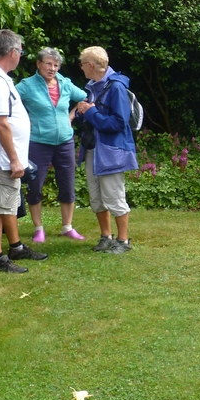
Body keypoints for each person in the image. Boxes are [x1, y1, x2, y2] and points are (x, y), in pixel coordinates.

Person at [0, 29, 49, 273]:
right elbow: (1, 123)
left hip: (6, 157)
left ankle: (15, 247)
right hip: (3, 159)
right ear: (12, 52)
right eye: (21, 51)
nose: (21, 56)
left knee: (7, 204)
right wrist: (15, 160)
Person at [16, 47, 89, 243]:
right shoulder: (27, 85)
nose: (52, 68)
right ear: (38, 64)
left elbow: (85, 97)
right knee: (35, 185)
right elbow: (10, 101)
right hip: (38, 143)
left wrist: (72, 115)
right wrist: (24, 121)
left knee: (67, 184)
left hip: (65, 141)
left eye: (56, 65)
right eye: (48, 63)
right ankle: (38, 228)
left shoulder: (65, 83)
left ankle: (67, 227)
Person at [75, 46, 139, 254]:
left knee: (114, 196)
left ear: (91, 65)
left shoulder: (116, 88)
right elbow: (91, 116)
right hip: (94, 150)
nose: (81, 67)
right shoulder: (92, 86)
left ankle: (123, 241)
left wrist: (91, 112)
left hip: (111, 151)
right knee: (96, 197)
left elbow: (119, 123)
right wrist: (82, 113)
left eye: (82, 63)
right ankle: (106, 237)